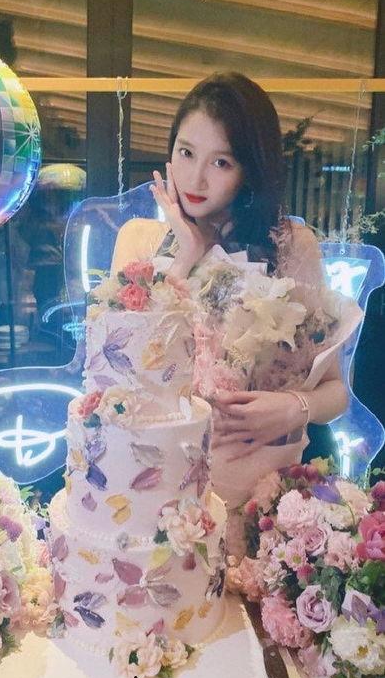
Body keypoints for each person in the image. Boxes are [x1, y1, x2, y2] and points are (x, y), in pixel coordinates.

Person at [111, 72, 349, 550]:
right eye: (186, 152)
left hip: (264, 508)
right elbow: (123, 378)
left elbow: (335, 390)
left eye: (221, 161)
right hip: (160, 504)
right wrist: (185, 255)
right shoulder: (139, 241)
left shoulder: (292, 247)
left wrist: (292, 407)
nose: (195, 178)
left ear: (250, 170)